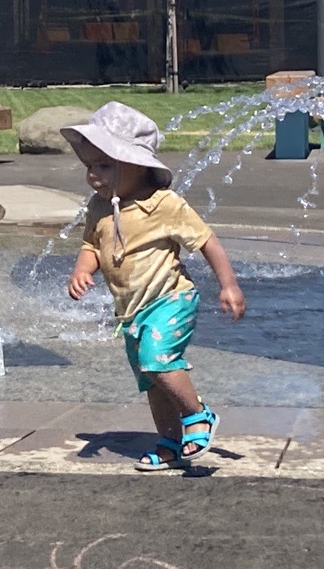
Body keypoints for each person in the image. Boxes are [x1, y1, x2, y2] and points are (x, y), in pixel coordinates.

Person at [62, 102, 246, 471]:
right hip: (131, 310)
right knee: (151, 377)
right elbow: (91, 244)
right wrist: (83, 270)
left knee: (157, 360)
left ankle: (199, 417)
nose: (93, 176)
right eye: (89, 167)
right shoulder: (99, 206)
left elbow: (207, 241)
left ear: (134, 165)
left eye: (104, 165)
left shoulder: (163, 204)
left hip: (171, 298)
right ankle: (170, 442)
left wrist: (228, 285)